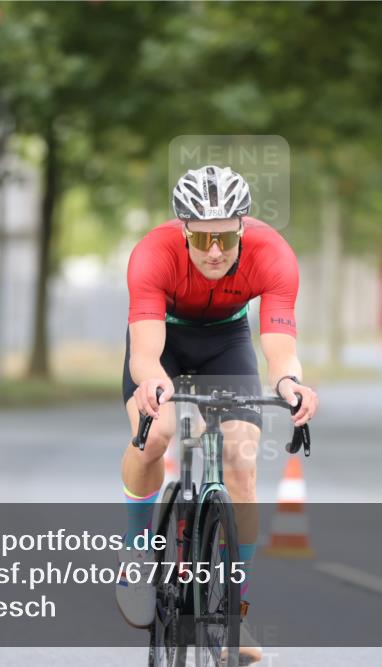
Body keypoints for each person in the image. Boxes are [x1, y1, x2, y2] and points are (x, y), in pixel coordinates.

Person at [115, 164, 319, 663]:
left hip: (227, 341)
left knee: (242, 460)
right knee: (158, 433)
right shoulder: (152, 254)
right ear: (183, 229)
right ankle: (136, 549)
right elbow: (145, 352)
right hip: (165, 338)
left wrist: (290, 381)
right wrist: (153, 382)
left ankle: (235, 606)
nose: (213, 250)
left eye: (225, 237)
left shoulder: (273, 256)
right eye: (201, 237)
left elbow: (278, 344)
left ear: (243, 228)